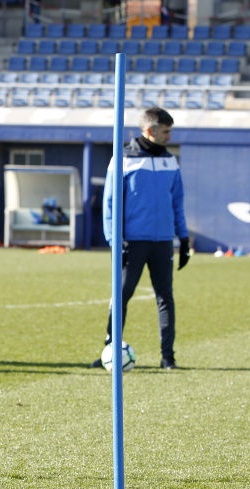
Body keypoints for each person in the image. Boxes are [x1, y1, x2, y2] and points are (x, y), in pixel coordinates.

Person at [91, 107, 190, 371]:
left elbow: (177, 203)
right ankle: (110, 352)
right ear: (150, 130)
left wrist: (184, 240)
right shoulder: (122, 159)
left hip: (163, 243)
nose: (170, 137)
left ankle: (168, 358)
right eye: (166, 131)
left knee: (165, 298)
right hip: (131, 243)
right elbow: (109, 204)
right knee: (121, 296)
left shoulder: (171, 161)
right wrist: (114, 241)